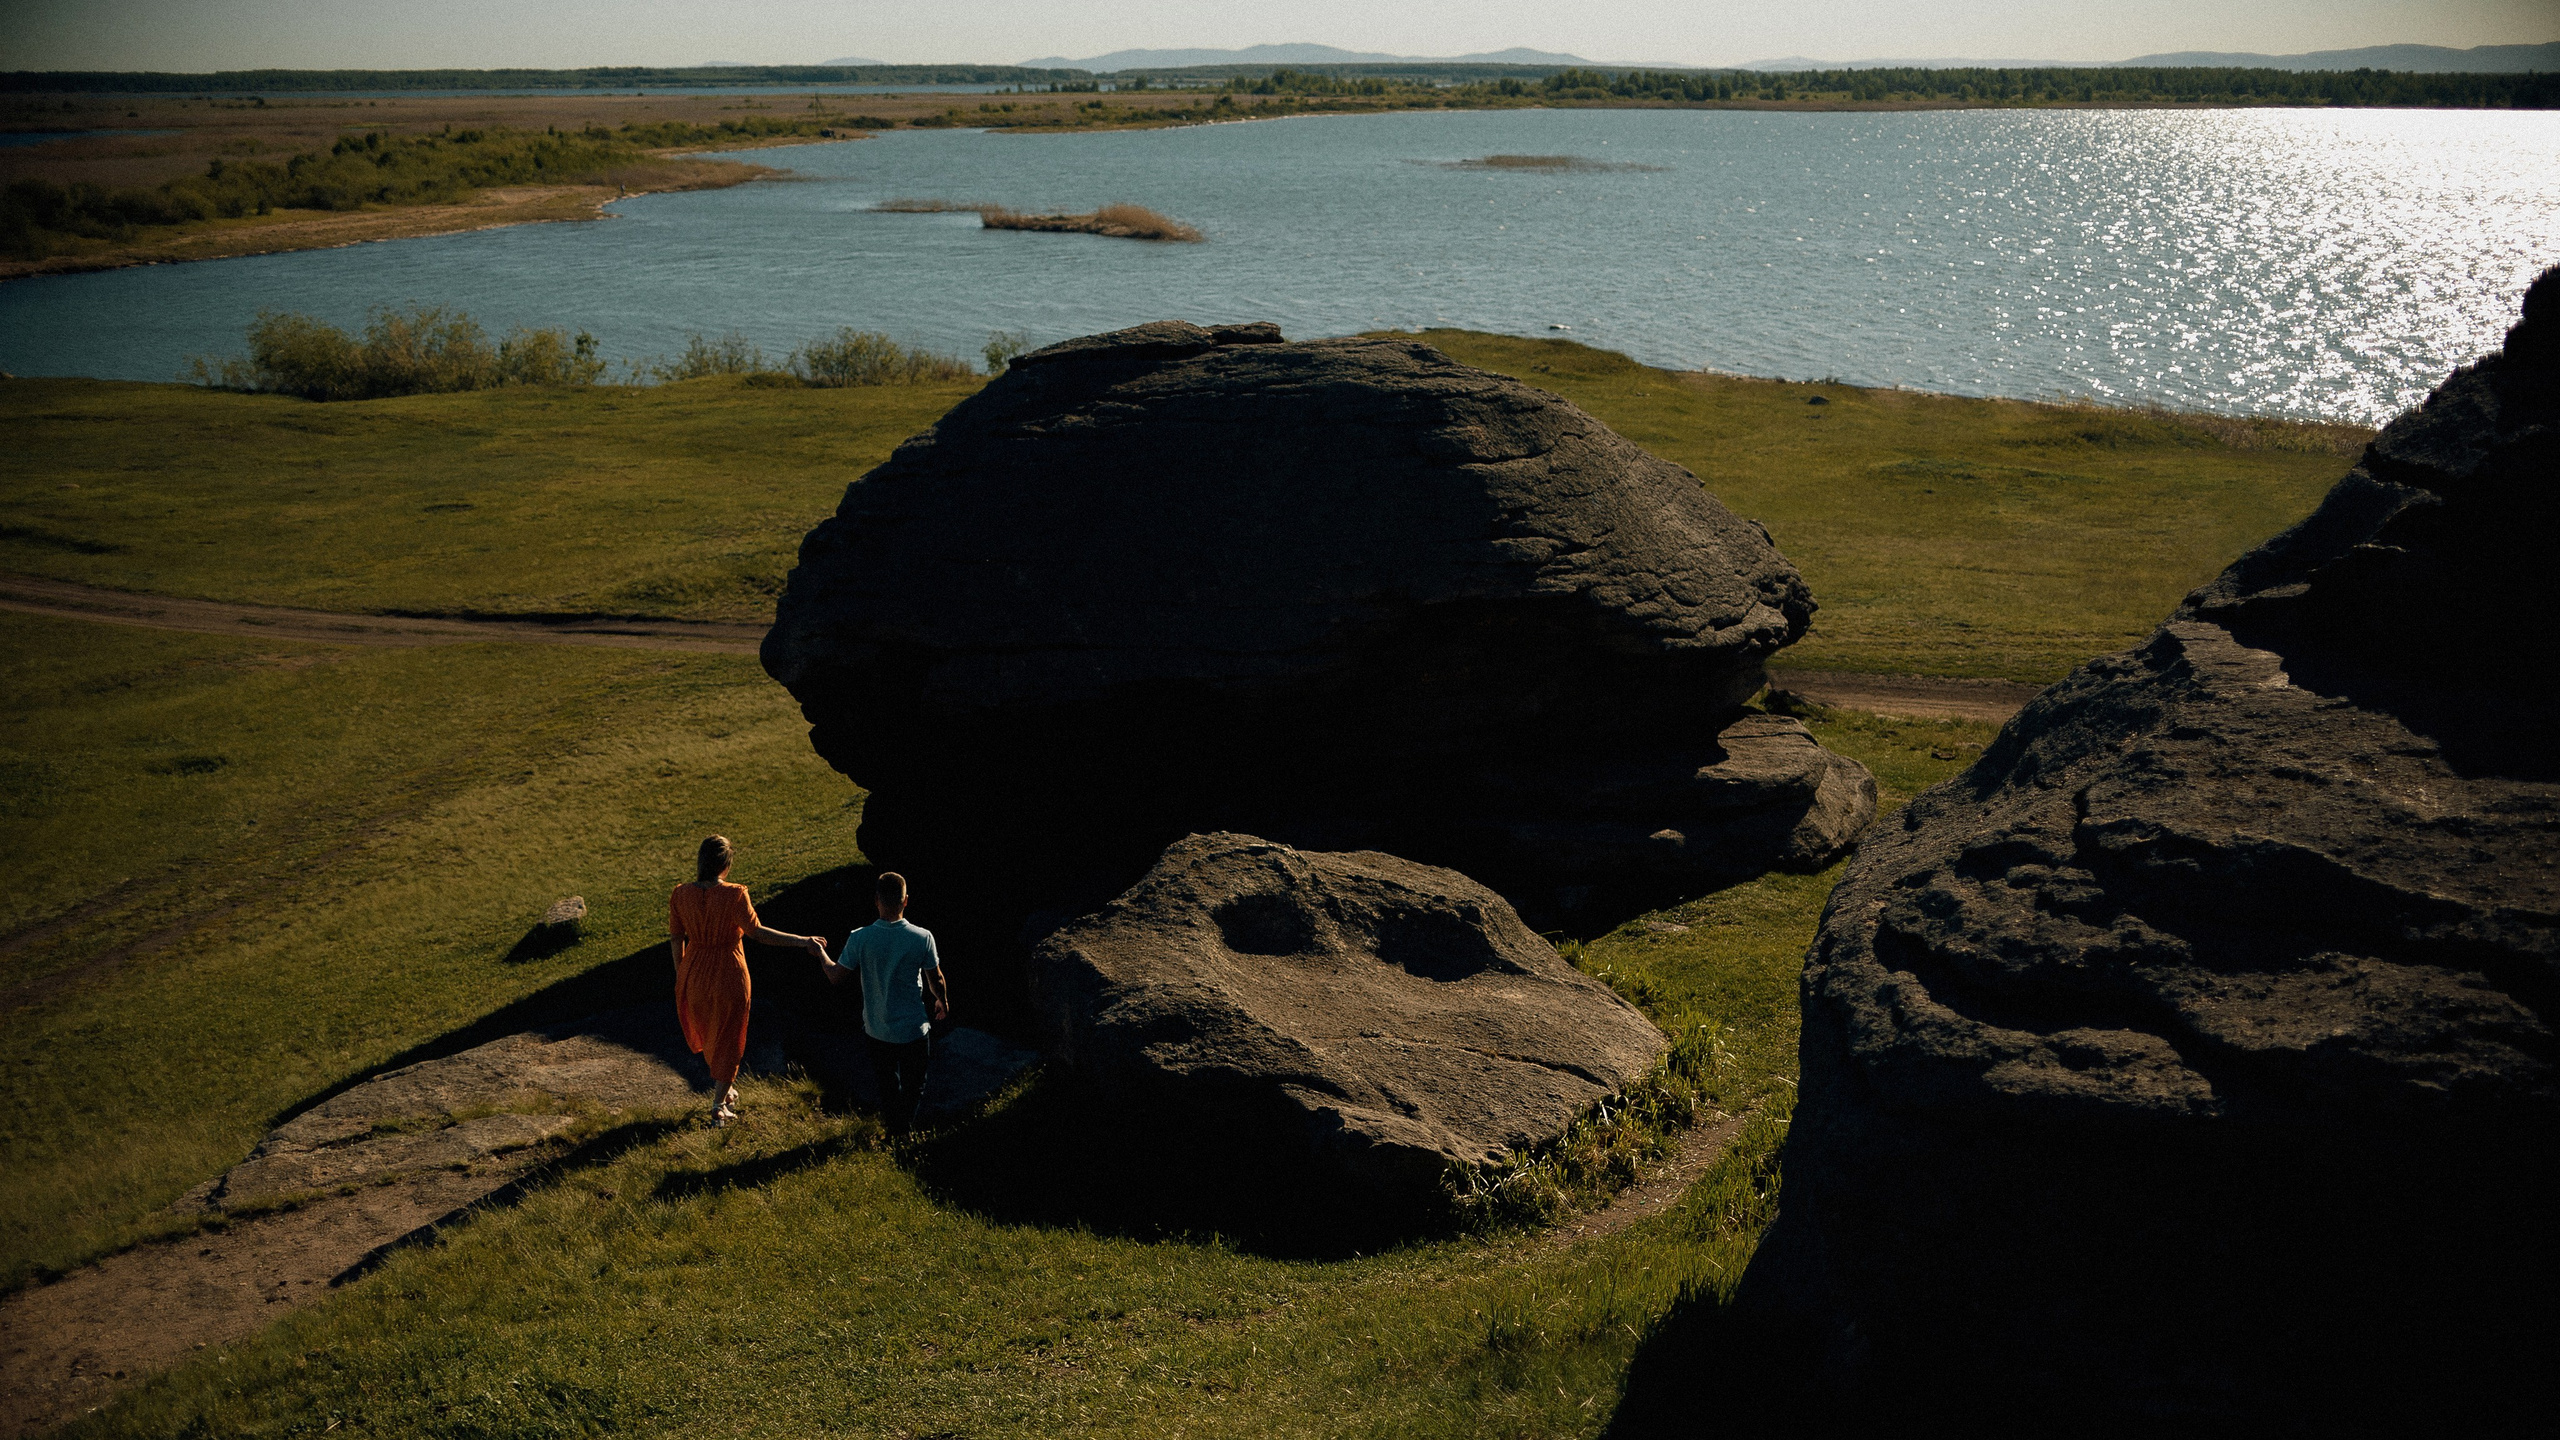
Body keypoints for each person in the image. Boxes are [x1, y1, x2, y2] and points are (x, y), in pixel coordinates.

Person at [669, 835, 829, 1126]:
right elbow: (757, 932)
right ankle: (718, 1105)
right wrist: (803, 941)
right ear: (725, 864)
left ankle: (725, 1089)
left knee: (709, 1032)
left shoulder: (680, 894)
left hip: (694, 972)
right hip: (728, 972)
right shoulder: (734, 894)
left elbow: (677, 937)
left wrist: (683, 973)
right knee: (729, 1035)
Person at [821, 870, 949, 1136]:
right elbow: (935, 977)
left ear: (877, 899)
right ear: (905, 901)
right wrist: (942, 1000)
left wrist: (819, 952)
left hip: (877, 1028)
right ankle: (903, 1131)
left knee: (887, 1085)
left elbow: (835, 976)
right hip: (914, 1028)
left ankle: (895, 1129)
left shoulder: (860, 937)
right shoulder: (922, 937)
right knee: (915, 1085)